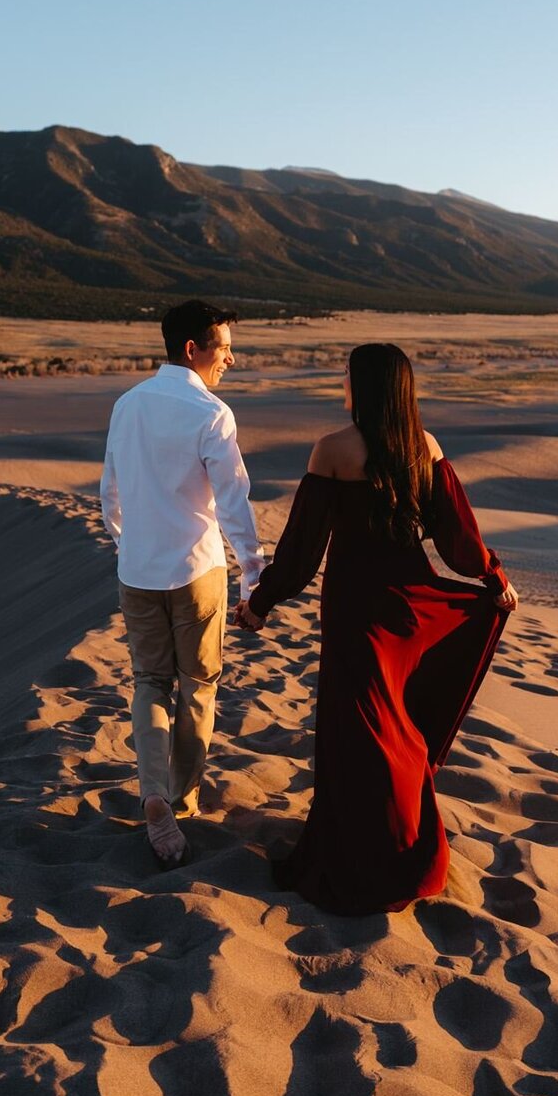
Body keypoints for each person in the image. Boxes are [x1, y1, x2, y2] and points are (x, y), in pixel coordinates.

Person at [236, 343, 517, 915]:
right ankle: (399, 847)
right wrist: (493, 576)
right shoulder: (426, 447)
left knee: (360, 733)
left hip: (357, 613)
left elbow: (302, 550)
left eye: (346, 376)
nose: (341, 384)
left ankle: (382, 861)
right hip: (411, 607)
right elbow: (458, 539)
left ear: (363, 386)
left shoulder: (333, 450)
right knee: (395, 729)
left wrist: (261, 603)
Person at [101, 299, 265, 869]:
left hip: (137, 572)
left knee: (149, 681)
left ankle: (151, 793)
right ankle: (182, 800)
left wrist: (130, 546)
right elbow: (234, 501)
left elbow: (110, 493)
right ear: (192, 349)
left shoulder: (127, 405)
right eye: (223, 348)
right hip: (198, 571)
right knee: (197, 686)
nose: (231, 359)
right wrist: (254, 575)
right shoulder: (211, 413)